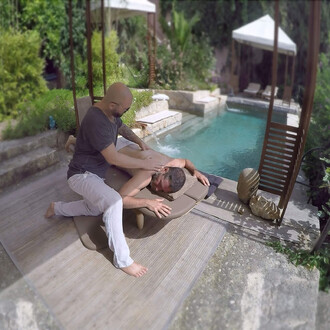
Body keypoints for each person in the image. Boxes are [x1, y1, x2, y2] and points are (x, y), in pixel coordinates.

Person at [45, 82, 165, 278]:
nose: (125, 112)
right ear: (112, 105)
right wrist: (144, 165)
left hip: (94, 176)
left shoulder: (111, 115)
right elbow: (114, 158)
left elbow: (123, 128)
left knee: (94, 208)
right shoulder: (96, 120)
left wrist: (140, 141)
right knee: (114, 201)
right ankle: (123, 260)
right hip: (81, 175)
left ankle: (56, 208)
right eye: (124, 109)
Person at [114, 138, 210, 218]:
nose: (156, 189)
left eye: (162, 190)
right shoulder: (146, 175)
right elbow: (119, 199)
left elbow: (185, 161)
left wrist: (195, 171)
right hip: (112, 148)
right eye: (159, 183)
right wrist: (146, 202)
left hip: (128, 144)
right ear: (165, 170)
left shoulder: (170, 162)